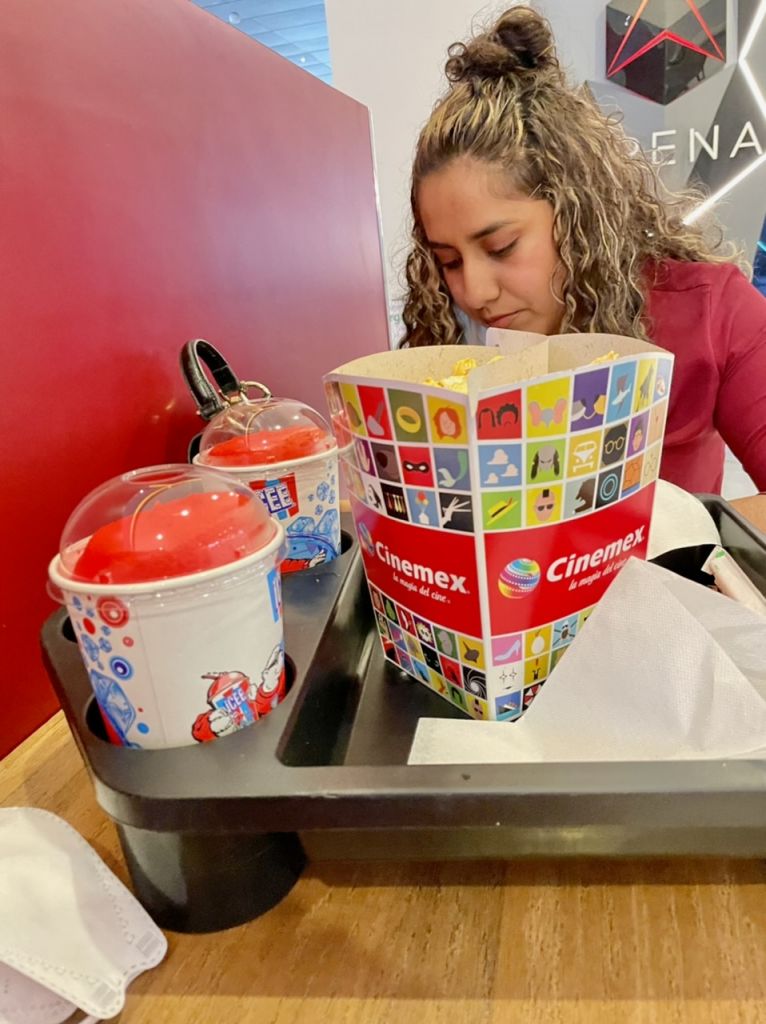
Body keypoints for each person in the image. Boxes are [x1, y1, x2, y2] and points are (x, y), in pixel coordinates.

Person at [401, 5, 766, 494]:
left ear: (578, 215)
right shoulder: (448, 345)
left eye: (502, 247)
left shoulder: (713, 313)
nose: (475, 293)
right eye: (448, 261)